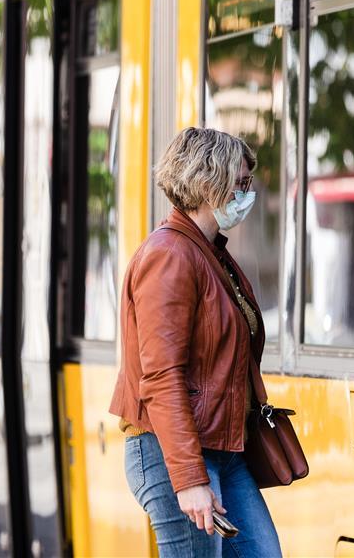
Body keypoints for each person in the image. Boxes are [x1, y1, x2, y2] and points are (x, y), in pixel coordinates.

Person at [109, 127, 281, 557]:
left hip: (222, 449)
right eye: (241, 184)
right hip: (172, 452)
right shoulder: (169, 255)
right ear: (209, 184)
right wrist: (188, 477)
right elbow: (161, 375)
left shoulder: (209, 253)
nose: (248, 193)